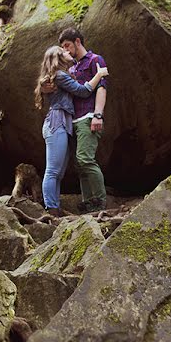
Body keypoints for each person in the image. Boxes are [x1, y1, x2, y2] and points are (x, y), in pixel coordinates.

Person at [34, 46, 108, 217]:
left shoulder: (60, 76)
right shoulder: (59, 76)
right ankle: (51, 208)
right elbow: (83, 91)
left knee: (58, 172)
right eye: (64, 50)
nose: (68, 52)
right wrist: (100, 74)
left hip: (62, 123)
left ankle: (54, 208)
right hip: (57, 122)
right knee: (53, 170)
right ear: (58, 57)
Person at [58, 27, 108, 213]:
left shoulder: (96, 60)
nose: (66, 50)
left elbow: (101, 88)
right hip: (73, 120)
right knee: (79, 164)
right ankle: (88, 202)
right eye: (62, 48)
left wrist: (98, 114)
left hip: (88, 116)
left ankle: (100, 200)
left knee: (85, 159)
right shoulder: (71, 67)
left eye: (67, 45)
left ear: (78, 41)